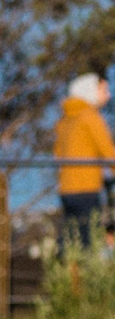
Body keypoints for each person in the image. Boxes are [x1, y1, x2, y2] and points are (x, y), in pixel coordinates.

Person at [55, 73, 115, 238]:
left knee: (72, 237)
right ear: (90, 92)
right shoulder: (90, 116)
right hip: (87, 188)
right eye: (104, 91)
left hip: (66, 189)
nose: (108, 96)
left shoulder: (65, 120)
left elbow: (58, 153)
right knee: (89, 238)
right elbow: (108, 152)